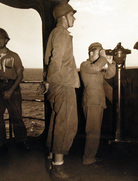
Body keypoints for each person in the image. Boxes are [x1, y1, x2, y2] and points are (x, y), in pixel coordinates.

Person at [40, 2, 80, 180]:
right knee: (66, 124)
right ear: (63, 16)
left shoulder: (55, 34)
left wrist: (49, 82)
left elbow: (51, 61)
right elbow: (56, 61)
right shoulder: (62, 34)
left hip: (57, 83)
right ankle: (58, 168)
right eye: (72, 15)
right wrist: (50, 80)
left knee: (57, 122)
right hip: (63, 84)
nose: (74, 18)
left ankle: (51, 158)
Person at [80, 42, 116, 165]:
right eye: (99, 52)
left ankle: (91, 156)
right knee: (93, 132)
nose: (102, 54)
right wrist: (103, 58)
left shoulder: (97, 68)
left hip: (98, 103)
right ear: (91, 53)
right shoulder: (85, 65)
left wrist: (111, 63)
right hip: (91, 102)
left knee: (95, 132)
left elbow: (110, 74)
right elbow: (96, 68)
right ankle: (88, 159)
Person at [0, 28, 30, 152]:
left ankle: (21, 141)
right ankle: (1, 143)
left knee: (16, 116)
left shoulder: (14, 56)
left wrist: (10, 91)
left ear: (6, 40)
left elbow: (20, 75)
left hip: (12, 87)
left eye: (1, 38)